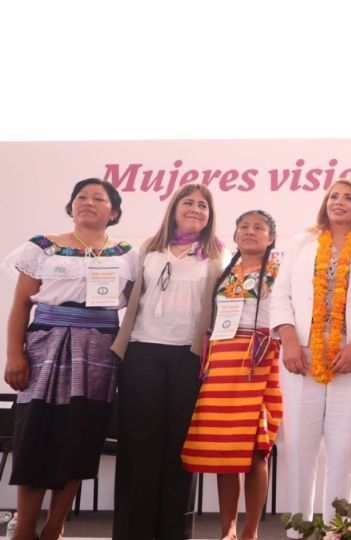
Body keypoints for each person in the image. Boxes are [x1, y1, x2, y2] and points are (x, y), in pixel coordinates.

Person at [3, 178, 136, 540]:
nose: (88, 202)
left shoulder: (126, 254)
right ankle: (25, 528)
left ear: (115, 211)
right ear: (71, 205)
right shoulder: (42, 247)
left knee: (81, 437)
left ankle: (55, 528)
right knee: (35, 436)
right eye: (81, 197)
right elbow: (20, 307)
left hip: (98, 354)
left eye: (98, 198)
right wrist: (14, 354)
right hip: (45, 349)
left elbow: (135, 308)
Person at [270, 178, 351, 529]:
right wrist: (290, 342)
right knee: (299, 449)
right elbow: (281, 296)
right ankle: (297, 531)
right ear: (325, 202)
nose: (339, 202)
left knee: (342, 451)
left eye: (348, 197)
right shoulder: (301, 243)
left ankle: (339, 531)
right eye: (334, 196)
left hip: (350, 359)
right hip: (300, 358)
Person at [111, 183, 223, 539]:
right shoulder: (148, 249)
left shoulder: (219, 256)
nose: (195, 209)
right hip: (142, 352)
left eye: (202, 205)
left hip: (188, 357)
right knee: (137, 444)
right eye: (188, 202)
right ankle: (132, 531)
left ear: (210, 215)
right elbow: (122, 293)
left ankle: (174, 533)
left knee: (179, 447)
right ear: (173, 208)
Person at [181, 210, 283, 540]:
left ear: (271, 238)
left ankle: (251, 531)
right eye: (244, 227)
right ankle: (228, 530)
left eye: (259, 227)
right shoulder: (224, 271)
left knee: (255, 451)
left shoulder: (280, 272)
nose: (250, 232)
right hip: (222, 363)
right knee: (224, 451)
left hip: (259, 360)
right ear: (236, 235)